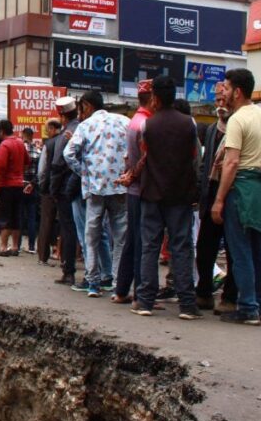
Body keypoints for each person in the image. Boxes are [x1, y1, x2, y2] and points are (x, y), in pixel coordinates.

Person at [211, 68, 261, 325]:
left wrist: (219, 199)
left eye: (225, 87)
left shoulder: (237, 120)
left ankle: (248, 308)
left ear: (237, 91)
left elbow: (231, 163)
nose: (222, 93)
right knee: (258, 249)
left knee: (241, 251)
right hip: (259, 188)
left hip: (241, 187)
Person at [128, 75, 202, 319]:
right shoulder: (188, 123)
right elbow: (194, 159)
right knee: (181, 248)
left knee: (150, 246)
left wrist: (131, 176)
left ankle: (146, 301)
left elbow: (144, 157)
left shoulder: (148, 125)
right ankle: (187, 305)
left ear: (155, 98)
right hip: (180, 195)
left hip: (152, 193)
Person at [64, 90, 129, 298]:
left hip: (95, 189)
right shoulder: (124, 121)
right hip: (120, 187)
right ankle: (118, 285)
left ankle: (93, 283)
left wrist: (85, 171)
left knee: (91, 237)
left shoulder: (85, 126)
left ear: (88, 107)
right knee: (120, 238)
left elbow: (68, 154)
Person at [195, 82, 238, 313]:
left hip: (232, 196)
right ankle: (204, 292)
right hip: (210, 195)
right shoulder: (212, 130)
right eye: (217, 101)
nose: (220, 105)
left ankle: (230, 297)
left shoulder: (241, 126)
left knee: (234, 250)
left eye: (224, 100)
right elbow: (205, 166)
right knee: (204, 249)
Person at [112, 79, 153, 304]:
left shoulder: (135, 121)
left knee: (132, 240)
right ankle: (140, 293)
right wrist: (132, 175)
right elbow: (146, 158)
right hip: (141, 189)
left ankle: (121, 290)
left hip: (133, 190)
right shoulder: (145, 124)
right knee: (141, 242)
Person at [51, 97, 81, 286]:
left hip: (67, 187)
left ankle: (68, 270)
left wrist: (53, 189)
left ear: (62, 115)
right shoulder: (82, 128)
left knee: (68, 229)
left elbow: (58, 164)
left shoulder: (67, 133)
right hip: (83, 184)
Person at [0, 120, 27, 256]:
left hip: (6, 185)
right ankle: (15, 247)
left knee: (5, 216)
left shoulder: (4, 145)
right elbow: (27, 161)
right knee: (16, 216)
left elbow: (0, 167)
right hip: (19, 184)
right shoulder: (20, 143)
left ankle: (3, 247)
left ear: (1, 131)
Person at [37, 118, 63, 265]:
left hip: (49, 188)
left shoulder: (49, 144)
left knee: (46, 222)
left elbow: (42, 170)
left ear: (53, 128)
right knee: (65, 224)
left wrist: (42, 186)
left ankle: (43, 256)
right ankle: (64, 257)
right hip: (64, 189)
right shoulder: (67, 140)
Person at [21, 127, 41, 253]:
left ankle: (16, 246)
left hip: (20, 184)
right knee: (32, 216)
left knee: (19, 215)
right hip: (32, 186)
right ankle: (32, 246)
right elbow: (40, 172)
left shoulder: (20, 149)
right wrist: (33, 184)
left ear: (23, 135)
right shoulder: (38, 151)